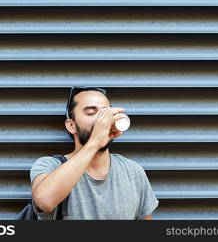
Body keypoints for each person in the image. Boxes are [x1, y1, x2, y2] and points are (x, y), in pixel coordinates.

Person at [30, 86, 159, 220]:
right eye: (91, 112)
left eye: (105, 113)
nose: (101, 120)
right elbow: (44, 202)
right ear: (71, 125)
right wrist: (95, 141)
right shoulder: (49, 165)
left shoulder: (132, 170)